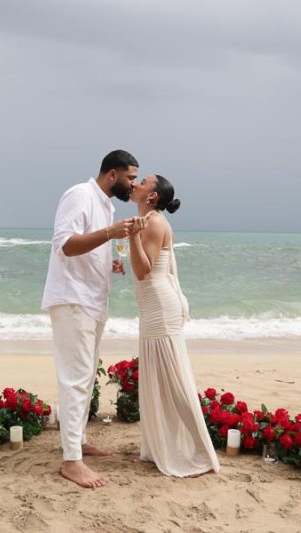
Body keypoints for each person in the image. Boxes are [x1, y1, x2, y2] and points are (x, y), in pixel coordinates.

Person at [41, 149, 139, 488]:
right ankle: (71, 462)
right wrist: (109, 235)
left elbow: (88, 246)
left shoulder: (107, 205)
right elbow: (65, 245)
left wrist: (106, 260)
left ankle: (78, 442)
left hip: (93, 301)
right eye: (130, 178)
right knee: (75, 379)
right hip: (72, 300)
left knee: (86, 376)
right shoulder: (79, 194)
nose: (133, 184)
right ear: (112, 175)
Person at [128, 174, 220, 477]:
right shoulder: (148, 220)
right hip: (152, 306)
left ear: (152, 196)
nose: (136, 184)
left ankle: (200, 452)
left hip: (160, 308)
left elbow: (144, 271)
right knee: (158, 378)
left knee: (175, 382)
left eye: (142, 181)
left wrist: (129, 237)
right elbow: (143, 266)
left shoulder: (153, 223)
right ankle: (161, 447)